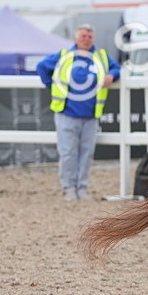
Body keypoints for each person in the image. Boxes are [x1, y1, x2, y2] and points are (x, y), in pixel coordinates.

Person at [37, 24, 120, 202]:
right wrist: (52, 85)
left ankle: (82, 188)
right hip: (67, 114)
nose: (86, 39)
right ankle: (68, 188)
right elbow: (42, 67)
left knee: (86, 154)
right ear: (76, 38)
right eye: (83, 36)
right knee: (68, 153)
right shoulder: (64, 56)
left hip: (90, 115)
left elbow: (116, 68)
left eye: (89, 37)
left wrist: (111, 75)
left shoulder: (101, 57)